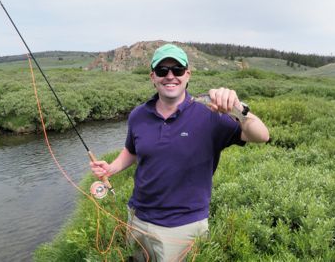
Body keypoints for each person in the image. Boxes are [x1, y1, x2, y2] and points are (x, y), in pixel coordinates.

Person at [90, 43, 269, 261]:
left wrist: (240, 109)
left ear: (188, 75)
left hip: (184, 227)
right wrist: (112, 167)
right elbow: (132, 150)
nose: (170, 76)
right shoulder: (138, 115)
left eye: (177, 70)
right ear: (153, 77)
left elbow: (261, 136)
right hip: (137, 218)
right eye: (162, 71)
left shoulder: (211, 113)